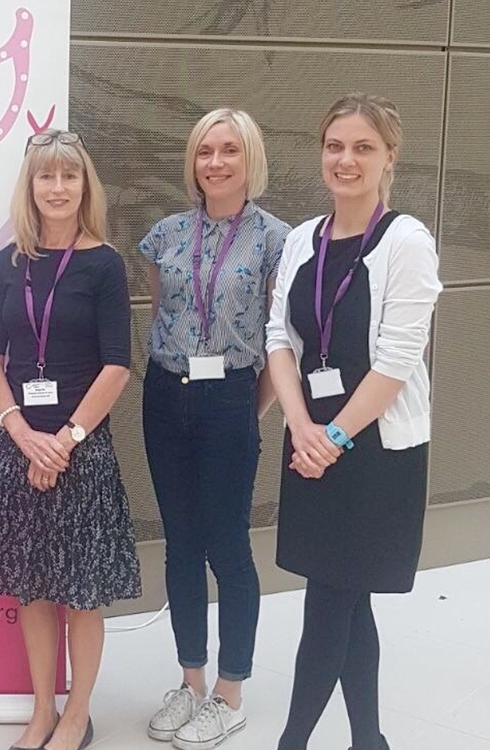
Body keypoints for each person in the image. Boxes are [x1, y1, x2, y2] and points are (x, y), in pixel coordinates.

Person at [265, 93, 442, 750]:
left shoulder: (406, 242)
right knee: (345, 594)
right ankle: (369, 739)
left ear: (388, 157)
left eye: (363, 147)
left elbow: (397, 360)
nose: (346, 159)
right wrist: (301, 425)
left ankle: (293, 742)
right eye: (335, 145)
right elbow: (278, 338)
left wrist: (333, 436)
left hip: (373, 452)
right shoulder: (301, 239)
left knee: (330, 599)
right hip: (310, 442)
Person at [0, 129, 141, 750]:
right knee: (33, 587)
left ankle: (78, 713)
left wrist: (65, 440)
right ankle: (42, 709)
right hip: (18, 446)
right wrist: (21, 432)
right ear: (31, 185)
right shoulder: (8, 263)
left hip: (81, 446)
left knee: (81, 591)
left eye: (69, 176)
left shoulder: (103, 264)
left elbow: (116, 366)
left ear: (84, 186)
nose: (58, 187)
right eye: (46, 176)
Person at [139, 109, 290, 749]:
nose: (216, 163)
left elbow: (280, 336)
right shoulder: (165, 234)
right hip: (165, 395)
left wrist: (246, 410)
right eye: (206, 151)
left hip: (231, 395)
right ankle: (191, 680)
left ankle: (230, 691)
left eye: (229, 150)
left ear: (249, 159)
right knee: (180, 543)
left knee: (227, 545)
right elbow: (161, 308)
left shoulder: (278, 240)